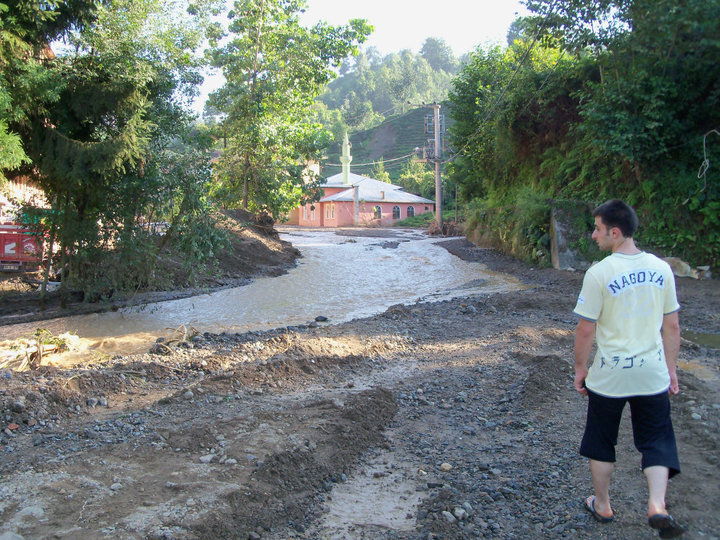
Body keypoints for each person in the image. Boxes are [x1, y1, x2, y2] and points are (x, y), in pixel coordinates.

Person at [573, 199, 685, 538]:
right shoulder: (662, 269)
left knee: (601, 440)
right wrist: (672, 370)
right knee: (657, 439)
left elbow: (586, 329)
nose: (593, 235)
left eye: (597, 228)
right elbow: (672, 327)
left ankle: (603, 505)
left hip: (610, 375)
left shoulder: (599, 273)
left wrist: (580, 369)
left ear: (615, 232)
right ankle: (656, 505)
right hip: (652, 373)